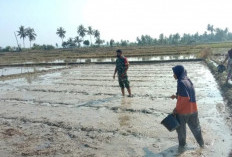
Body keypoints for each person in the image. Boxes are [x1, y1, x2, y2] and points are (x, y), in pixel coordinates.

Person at [170, 65, 204, 148]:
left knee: (181, 131)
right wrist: (176, 96)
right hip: (193, 109)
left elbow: (185, 98)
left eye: (174, 73)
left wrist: (176, 109)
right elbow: (187, 95)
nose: (173, 75)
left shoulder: (180, 82)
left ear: (177, 73)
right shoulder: (188, 80)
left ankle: (181, 148)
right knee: (196, 128)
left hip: (183, 112)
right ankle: (202, 145)